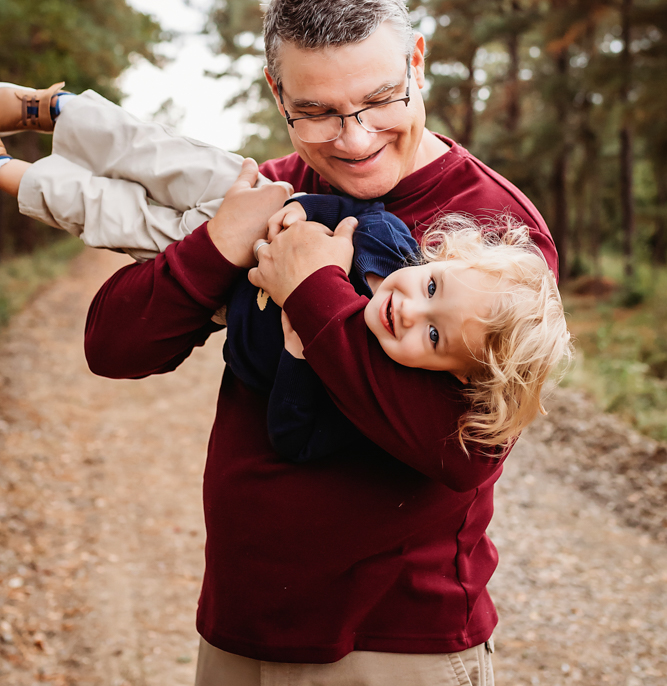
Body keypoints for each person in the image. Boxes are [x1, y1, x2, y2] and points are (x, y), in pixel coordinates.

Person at [6, 0, 561, 686]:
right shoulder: (268, 190)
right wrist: (221, 246)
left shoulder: (492, 236)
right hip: (240, 626)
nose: (356, 137)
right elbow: (114, 346)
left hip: (393, 654)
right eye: (318, 112)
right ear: (277, 95)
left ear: (417, 60)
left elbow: (461, 451)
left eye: (378, 101)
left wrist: (309, 290)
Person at [0, 87, 568, 465]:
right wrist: (297, 213)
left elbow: (292, 435)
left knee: (112, 214)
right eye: (434, 287)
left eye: (436, 336)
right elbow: (355, 216)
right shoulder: (394, 248)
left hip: (233, 287)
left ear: (451, 374)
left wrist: (301, 352)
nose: (411, 309)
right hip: (259, 200)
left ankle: (8, 172)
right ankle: (49, 109)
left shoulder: (359, 381)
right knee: (157, 156)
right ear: (440, 258)